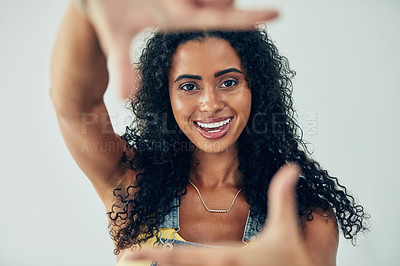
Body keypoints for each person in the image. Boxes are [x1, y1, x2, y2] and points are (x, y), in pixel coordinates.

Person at [50, 1, 368, 265]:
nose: (210, 104)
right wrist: (86, 9)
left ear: (255, 87)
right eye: (189, 86)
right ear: (166, 98)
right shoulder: (131, 183)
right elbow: (76, 106)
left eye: (228, 82)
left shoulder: (307, 221)